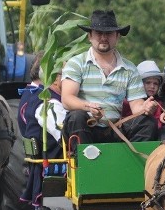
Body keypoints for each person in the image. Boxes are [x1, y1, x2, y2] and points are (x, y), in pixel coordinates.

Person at [61, 10, 158, 144]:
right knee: (76, 116)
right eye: (99, 33)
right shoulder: (76, 63)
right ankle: (84, 163)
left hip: (115, 129)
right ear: (90, 36)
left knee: (148, 122)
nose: (103, 37)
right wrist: (88, 107)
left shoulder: (130, 69)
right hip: (85, 126)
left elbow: (137, 106)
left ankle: (131, 164)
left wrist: (146, 107)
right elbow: (66, 99)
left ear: (117, 36)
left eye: (109, 33)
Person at [18, 57, 66, 206]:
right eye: (70, 77)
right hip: (54, 158)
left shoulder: (39, 97)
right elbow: (64, 135)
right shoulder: (49, 103)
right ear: (56, 79)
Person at [122, 60, 165, 131]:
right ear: (138, 84)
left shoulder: (160, 104)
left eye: (155, 83)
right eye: (148, 83)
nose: (152, 86)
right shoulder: (126, 103)